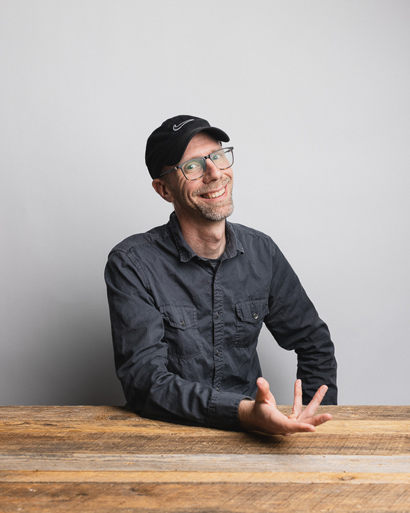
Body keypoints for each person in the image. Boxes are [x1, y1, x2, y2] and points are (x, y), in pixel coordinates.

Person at [104, 115, 337, 436]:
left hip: (253, 437)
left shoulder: (262, 252)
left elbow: (314, 343)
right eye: (192, 166)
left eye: (217, 156)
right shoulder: (132, 263)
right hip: (168, 436)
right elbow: (144, 382)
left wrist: (312, 420)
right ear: (164, 189)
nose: (214, 173)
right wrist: (241, 412)